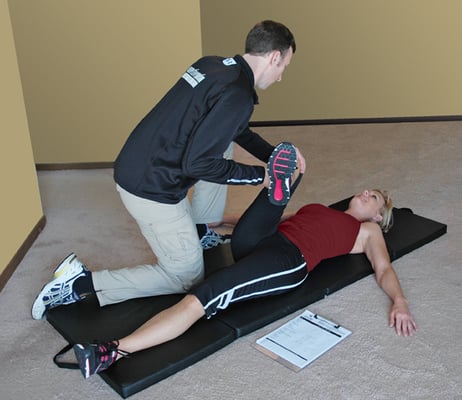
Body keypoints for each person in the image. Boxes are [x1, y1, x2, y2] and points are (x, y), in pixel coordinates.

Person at [31, 20, 307, 320]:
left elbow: (231, 129)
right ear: (274, 57)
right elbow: (199, 164)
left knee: (222, 144)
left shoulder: (213, 65)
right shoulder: (238, 96)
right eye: (284, 67)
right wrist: (262, 176)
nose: (281, 77)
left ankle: (200, 230)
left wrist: (274, 156)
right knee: (186, 278)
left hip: (136, 162)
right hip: (151, 188)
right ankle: (80, 283)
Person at [69, 143, 417, 379]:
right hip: (264, 239)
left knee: (205, 294)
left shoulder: (367, 233)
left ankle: (112, 352)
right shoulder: (322, 210)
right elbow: (275, 222)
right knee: (272, 207)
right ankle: (283, 180)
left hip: (287, 261)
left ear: (376, 218)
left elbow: (384, 268)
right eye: (368, 190)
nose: (366, 193)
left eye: (373, 199)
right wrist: (216, 223)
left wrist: (399, 302)